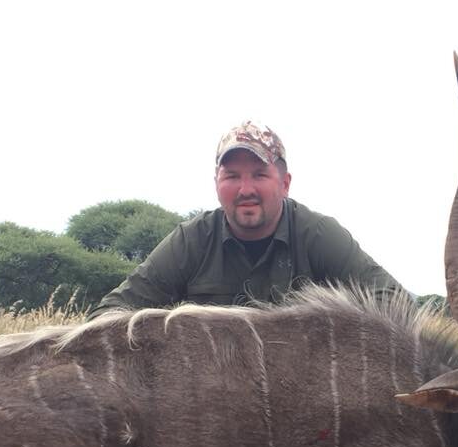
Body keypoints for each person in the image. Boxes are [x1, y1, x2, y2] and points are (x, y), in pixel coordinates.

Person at [88, 121, 408, 317]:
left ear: (284, 183)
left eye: (259, 175)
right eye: (232, 176)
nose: (245, 189)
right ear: (216, 184)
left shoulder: (318, 234)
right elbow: (109, 314)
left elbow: (396, 304)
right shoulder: (192, 240)